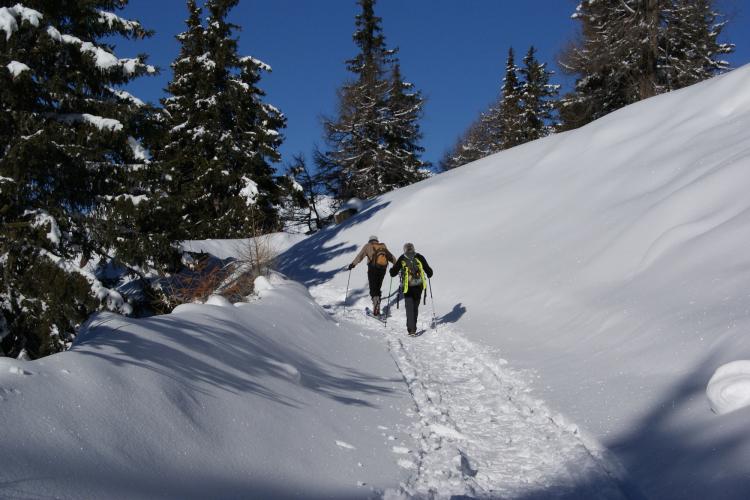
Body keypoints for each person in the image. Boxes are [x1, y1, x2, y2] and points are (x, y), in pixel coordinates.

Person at [390, 243, 433, 336]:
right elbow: (429, 272)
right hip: (419, 286)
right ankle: (413, 327)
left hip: (408, 287)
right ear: (413, 248)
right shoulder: (419, 257)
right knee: (415, 307)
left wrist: (391, 270)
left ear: (404, 249)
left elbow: (393, 273)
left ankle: (411, 330)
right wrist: (429, 274)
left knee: (409, 308)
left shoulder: (402, 258)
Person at [348, 235, 396, 316]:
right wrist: (397, 265)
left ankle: (375, 304)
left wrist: (353, 264)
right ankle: (377, 303)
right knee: (378, 287)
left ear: (369, 240)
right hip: (383, 269)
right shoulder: (383, 246)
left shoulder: (368, 246)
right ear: (377, 240)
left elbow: (360, 256)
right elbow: (391, 257)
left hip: (372, 269)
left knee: (373, 287)